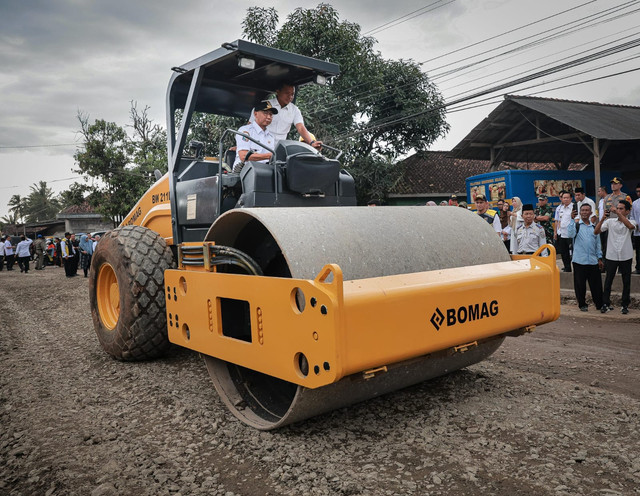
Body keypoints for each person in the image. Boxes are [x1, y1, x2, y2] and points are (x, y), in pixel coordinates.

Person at [249, 82, 322, 149]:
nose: (290, 96)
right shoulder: (263, 106)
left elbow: (300, 128)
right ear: (278, 91)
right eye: (287, 93)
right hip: (259, 147)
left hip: (278, 151)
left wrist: (312, 143)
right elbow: (249, 127)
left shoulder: (294, 110)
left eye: (292, 94)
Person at [595, 200, 637, 314]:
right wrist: (603, 218)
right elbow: (596, 231)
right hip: (611, 255)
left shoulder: (632, 221)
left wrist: (618, 214)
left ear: (627, 211)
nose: (618, 210)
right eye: (617, 208)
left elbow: (629, 226)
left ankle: (625, 305)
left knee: (626, 281)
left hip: (625, 255)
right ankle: (605, 303)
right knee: (608, 280)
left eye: (621, 208)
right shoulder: (610, 221)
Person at [567, 204, 603, 312]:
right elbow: (570, 234)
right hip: (579, 260)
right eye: (582, 210)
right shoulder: (576, 225)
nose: (584, 212)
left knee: (596, 285)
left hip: (592, 261)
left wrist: (599, 258)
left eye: (587, 210)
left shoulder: (594, 227)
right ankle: (582, 304)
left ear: (591, 212)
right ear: (579, 212)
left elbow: (598, 244)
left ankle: (599, 304)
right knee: (580, 285)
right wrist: (572, 220)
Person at [233, 100, 278, 173]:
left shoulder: (271, 137)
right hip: (243, 173)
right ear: (255, 114)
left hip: (263, 172)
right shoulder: (245, 131)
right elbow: (243, 156)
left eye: (271, 114)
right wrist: (269, 156)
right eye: (265, 113)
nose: (269, 117)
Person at [554, 191, 574, 272]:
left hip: (571, 234)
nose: (565, 199)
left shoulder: (574, 207)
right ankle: (567, 267)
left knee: (572, 252)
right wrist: (556, 232)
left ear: (571, 198)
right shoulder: (560, 208)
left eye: (567, 198)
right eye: (564, 198)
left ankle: (574, 267)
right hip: (562, 233)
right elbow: (558, 220)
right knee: (564, 252)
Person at [597, 185, 608, 264]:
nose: (598, 193)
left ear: (603, 191)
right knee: (602, 245)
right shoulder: (601, 201)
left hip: (607, 225)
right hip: (601, 225)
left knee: (607, 245)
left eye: (599, 191)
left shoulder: (609, 199)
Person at [631, 183, 640, 274]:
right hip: (638, 232)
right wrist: (636, 225)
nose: (638, 193)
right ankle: (638, 268)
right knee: (638, 251)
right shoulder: (635, 203)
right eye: (637, 191)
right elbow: (632, 216)